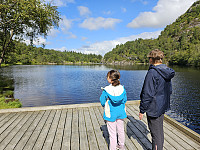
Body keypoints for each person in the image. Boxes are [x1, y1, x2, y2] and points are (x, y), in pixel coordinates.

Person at [139, 49, 175, 150]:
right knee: (159, 131)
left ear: (152, 59)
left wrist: (142, 110)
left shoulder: (152, 73)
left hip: (154, 108)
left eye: (149, 58)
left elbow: (147, 94)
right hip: (162, 106)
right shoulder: (166, 71)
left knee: (155, 134)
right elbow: (170, 90)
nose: (148, 59)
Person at [100, 70, 127, 150]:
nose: (106, 78)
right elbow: (124, 100)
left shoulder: (107, 89)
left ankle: (113, 148)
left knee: (112, 134)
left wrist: (105, 105)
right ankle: (121, 146)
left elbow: (102, 101)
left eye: (107, 77)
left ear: (110, 79)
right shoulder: (122, 88)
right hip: (120, 112)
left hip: (111, 114)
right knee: (121, 130)